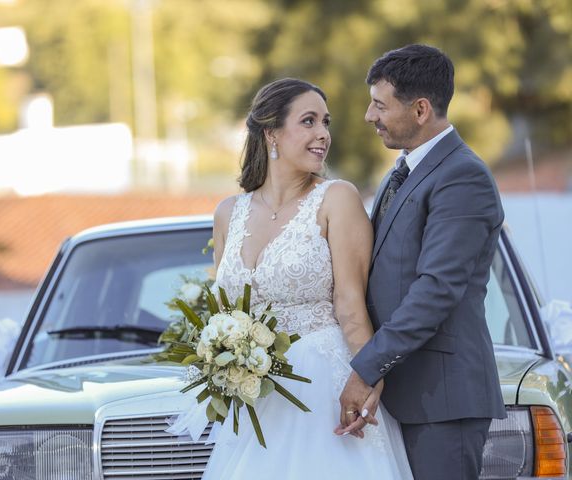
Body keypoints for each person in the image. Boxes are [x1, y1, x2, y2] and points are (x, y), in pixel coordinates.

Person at [197, 78, 413, 478]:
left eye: (325, 123)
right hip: (257, 398)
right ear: (271, 133)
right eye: (309, 122)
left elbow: (351, 304)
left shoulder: (337, 198)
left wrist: (369, 377)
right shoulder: (228, 212)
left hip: (323, 388)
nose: (323, 135)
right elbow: (224, 312)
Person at [336, 44, 506, 479]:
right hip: (405, 396)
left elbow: (437, 289)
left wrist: (367, 367)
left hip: (442, 400)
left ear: (420, 110)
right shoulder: (404, 173)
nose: (369, 117)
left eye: (379, 105)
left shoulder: (462, 176)